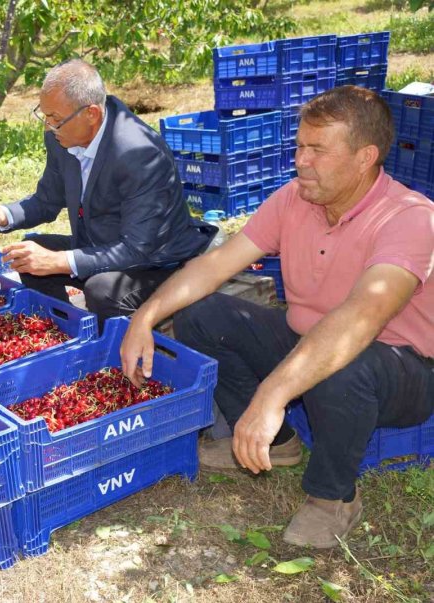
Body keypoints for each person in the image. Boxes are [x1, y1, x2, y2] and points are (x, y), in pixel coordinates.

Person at [120, 86, 433, 549]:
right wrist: (144, 317)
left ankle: (333, 498)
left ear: (365, 157)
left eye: (317, 151)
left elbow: (359, 321)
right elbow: (215, 266)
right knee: (202, 314)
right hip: (310, 339)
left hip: (400, 366)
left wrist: (271, 394)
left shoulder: (410, 219)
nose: (301, 161)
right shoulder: (295, 199)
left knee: (343, 364)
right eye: (300, 146)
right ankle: (282, 443)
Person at [0, 59, 214, 321]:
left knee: (103, 290)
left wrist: (60, 261)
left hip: (158, 262)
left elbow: (137, 249)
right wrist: (2, 214)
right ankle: (65, 328)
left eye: (55, 119)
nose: (47, 126)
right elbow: (47, 200)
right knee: (29, 253)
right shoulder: (61, 137)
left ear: (91, 114)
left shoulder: (140, 153)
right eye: (44, 114)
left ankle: (117, 344)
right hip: (100, 243)